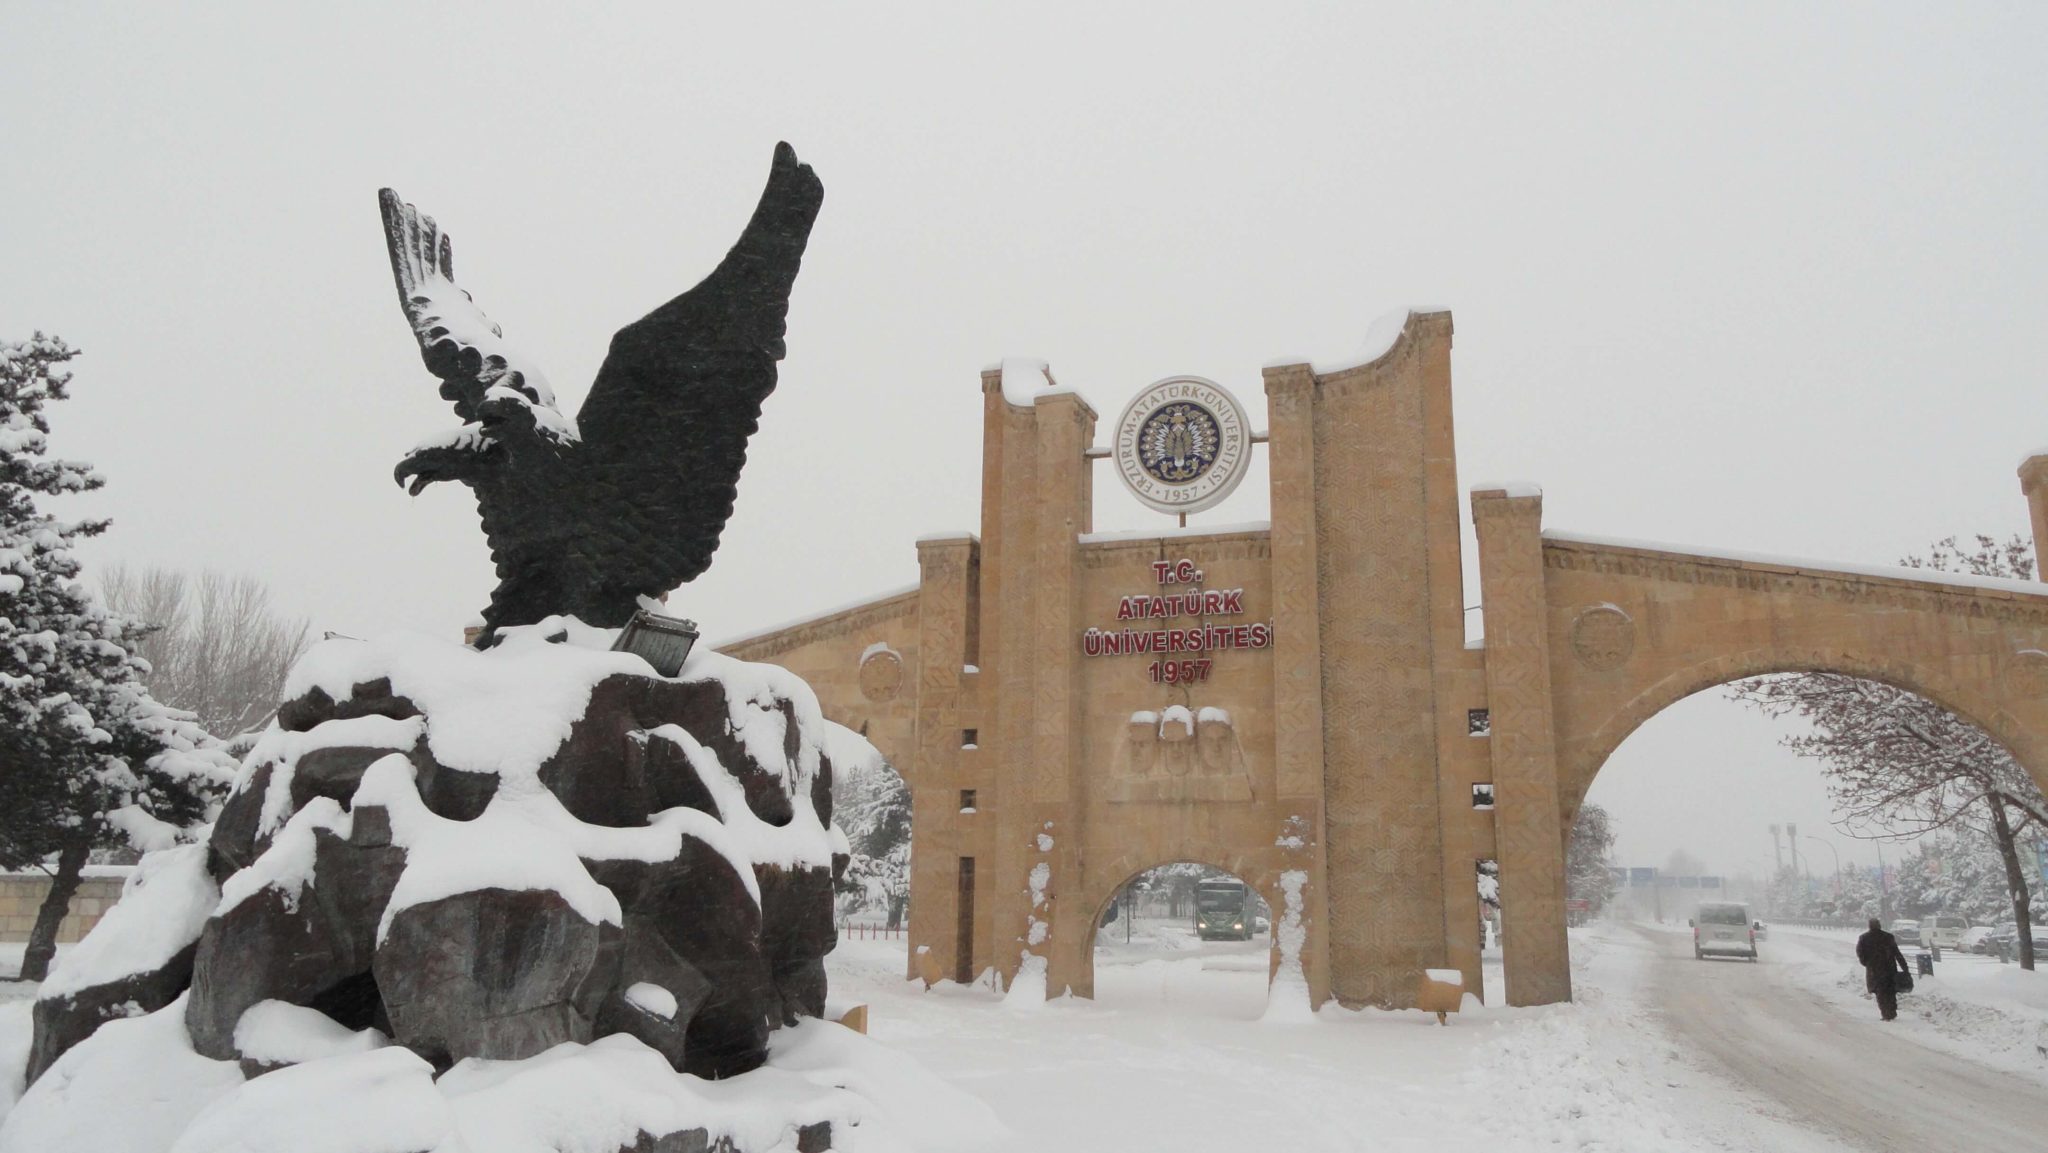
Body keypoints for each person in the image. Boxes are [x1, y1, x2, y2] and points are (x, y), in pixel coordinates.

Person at [1855, 917, 1911, 1021]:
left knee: (1880, 993)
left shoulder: (1864, 938)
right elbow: (1897, 953)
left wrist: (1866, 963)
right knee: (1890, 991)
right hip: (1889, 969)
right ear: (1879, 925)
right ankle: (1892, 1011)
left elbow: (1860, 953)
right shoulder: (1888, 937)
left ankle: (1885, 1013)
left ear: (1869, 926)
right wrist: (1905, 968)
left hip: (1874, 971)